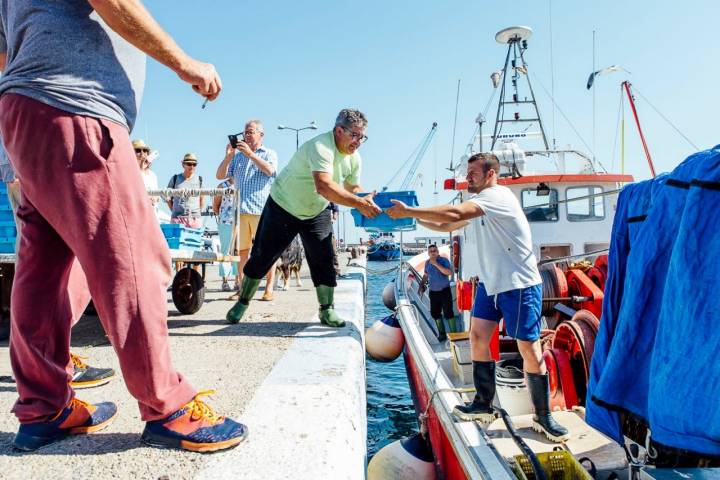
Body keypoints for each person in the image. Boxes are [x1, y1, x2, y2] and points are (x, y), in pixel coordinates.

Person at [0, 1, 246, 453]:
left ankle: (44, 408)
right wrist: (184, 63)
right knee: (131, 257)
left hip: (24, 111)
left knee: (43, 271)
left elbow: (3, 52)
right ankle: (167, 405)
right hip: (78, 108)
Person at [386, 153, 569, 442]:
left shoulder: (497, 196)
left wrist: (410, 210)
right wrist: (413, 216)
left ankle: (544, 417)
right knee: (478, 337)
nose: (467, 178)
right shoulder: (483, 204)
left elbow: (454, 214)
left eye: (472, 173)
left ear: (491, 174)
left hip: (519, 285)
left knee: (529, 350)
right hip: (490, 283)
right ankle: (483, 403)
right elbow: (447, 225)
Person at [226, 109, 381, 326]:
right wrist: (358, 203)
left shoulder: (354, 158)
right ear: (338, 130)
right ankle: (242, 302)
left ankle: (326, 310)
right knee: (262, 256)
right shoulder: (320, 147)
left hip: (316, 210)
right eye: (354, 135)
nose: (359, 141)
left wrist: (365, 198)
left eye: (362, 136)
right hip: (283, 204)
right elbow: (324, 186)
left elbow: (352, 186)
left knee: (324, 259)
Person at [215, 120, 278, 299]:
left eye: (250, 132)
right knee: (242, 252)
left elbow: (270, 171)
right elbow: (220, 175)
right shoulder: (238, 157)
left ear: (261, 135)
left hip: (261, 209)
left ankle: (269, 288)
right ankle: (242, 288)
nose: (246, 136)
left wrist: (250, 154)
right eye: (245, 132)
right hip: (240, 210)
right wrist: (228, 156)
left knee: (266, 250)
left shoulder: (269, 153)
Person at [419, 244, 457, 342]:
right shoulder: (427, 263)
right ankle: (442, 334)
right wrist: (421, 284)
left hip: (444, 291)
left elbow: (449, 272)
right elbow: (426, 275)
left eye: (434, 250)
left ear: (438, 252)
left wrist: (436, 264)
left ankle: (455, 335)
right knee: (435, 313)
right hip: (433, 292)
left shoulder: (444, 261)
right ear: (428, 253)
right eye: (430, 251)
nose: (433, 252)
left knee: (448, 312)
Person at [213, 177, 238, 291]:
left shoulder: (243, 183)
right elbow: (216, 206)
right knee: (225, 250)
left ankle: (238, 280)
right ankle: (225, 281)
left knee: (238, 251)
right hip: (225, 222)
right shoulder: (222, 186)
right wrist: (224, 217)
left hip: (240, 221)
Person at [167, 153, 205, 229]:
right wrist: (175, 211)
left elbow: (202, 199)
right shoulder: (175, 179)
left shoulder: (199, 180)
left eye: (194, 164)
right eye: (189, 164)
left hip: (195, 220)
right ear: (183, 164)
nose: (192, 166)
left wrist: (196, 214)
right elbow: (168, 198)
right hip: (177, 218)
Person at [133, 139, 161, 217]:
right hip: (135, 215)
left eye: (145, 150)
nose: (142, 153)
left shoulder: (153, 175)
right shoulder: (127, 172)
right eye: (138, 150)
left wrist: (155, 198)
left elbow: (157, 196)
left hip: (152, 216)